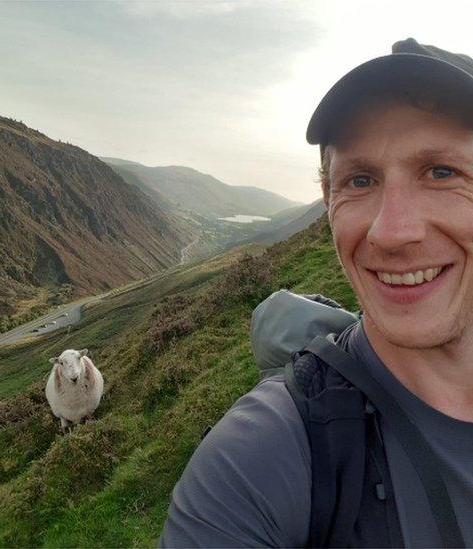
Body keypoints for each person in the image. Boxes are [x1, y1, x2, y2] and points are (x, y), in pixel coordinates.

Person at [160, 38, 473, 547]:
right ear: (329, 202)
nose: (390, 232)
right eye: (360, 180)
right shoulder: (257, 460)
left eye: (442, 172)